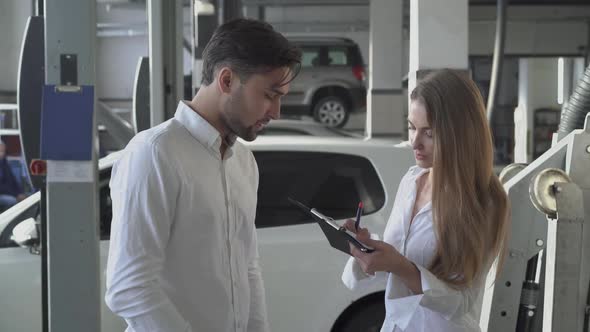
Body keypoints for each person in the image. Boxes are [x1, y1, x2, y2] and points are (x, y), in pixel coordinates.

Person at [105, 18, 301, 332]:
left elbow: (247, 267)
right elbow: (129, 287)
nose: (276, 111)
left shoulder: (244, 162)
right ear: (226, 80)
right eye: (270, 94)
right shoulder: (155, 153)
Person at [341, 69, 510, 332]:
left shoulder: (484, 200)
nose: (415, 142)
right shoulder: (411, 180)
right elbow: (396, 260)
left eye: (429, 133)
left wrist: (400, 265)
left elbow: (460, 302)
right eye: (411, 128)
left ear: (459, 134)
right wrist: (367, 249)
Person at [0, 141, 26, 211]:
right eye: (0, 150)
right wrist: (15, 194)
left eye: (3, 150)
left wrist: (20, 192)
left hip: (10, 192)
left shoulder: (4, 162)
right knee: (12, 201)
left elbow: (13, 180)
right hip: (3, 193)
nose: (2, 153)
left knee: (26, 198)